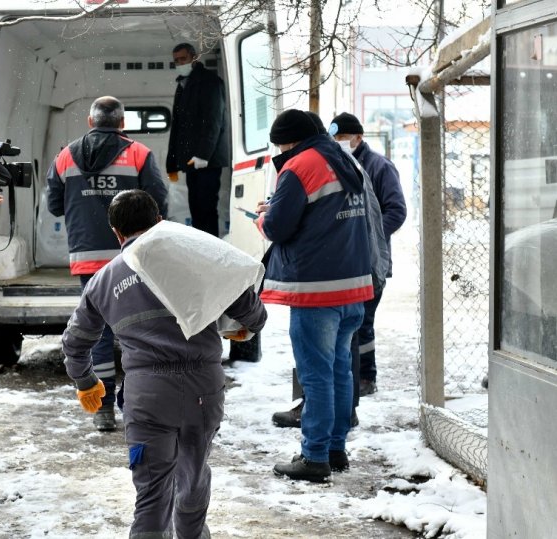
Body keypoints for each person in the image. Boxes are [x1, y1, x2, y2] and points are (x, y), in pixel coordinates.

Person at [62, 189, 267, 537]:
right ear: (159, 221)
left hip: (148, 397)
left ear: (116, 232)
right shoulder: (194, 257)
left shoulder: (104, 280)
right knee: (193, 483)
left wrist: (86, 382)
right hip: (204, 389)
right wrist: (239, 325)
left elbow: (75, 343)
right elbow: (252, 313)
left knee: (152, 499)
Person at [256, 109, 373, 482]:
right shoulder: (346, 159)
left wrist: (263, 216)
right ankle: (335, 449)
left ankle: (315, 456)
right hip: (352, 284)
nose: (281, 151)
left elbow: (277, 226)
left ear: (289, 141)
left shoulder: (300, 165)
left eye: (280, 144)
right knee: (339, 370)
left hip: (316, 289)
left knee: (316, 375)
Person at [46, 96, 169, 431]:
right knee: (138, 328)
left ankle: (101, 410)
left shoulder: (65, 155)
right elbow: (158, 203)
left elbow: (55, 205)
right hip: (133, 256)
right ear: (122, 123)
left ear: (90, 122)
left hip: (86, 257)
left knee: (96, 331)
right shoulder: (139, 154)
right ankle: (135, 403)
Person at [329, 112, 407, 396]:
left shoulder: (379, 167)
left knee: (363, 322)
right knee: (351, 323)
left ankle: (366, 377)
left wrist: (368, 235)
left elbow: (397, 211)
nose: (338, 143)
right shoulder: (338, 164)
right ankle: (353, 378)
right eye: (334, 138)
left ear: (358, 137)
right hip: (347, 261)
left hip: (372, 262)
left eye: (343, 138)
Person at [166, 42, 229, 237]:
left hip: (207, 160)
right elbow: (178, 127)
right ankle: (202, 249)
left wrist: (203, 155)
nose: (179, 63)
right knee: (196, 209)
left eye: (183, 59)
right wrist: (172, 162)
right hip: (192, 161)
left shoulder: (210, 82)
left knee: (206, 208)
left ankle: (211, 251)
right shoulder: (184, 84)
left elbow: (213, 121)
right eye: (176, 60)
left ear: (194, 58)